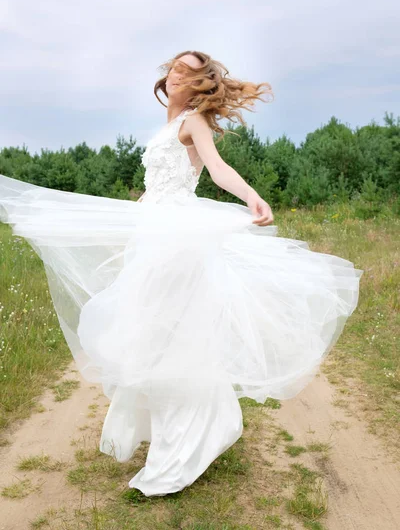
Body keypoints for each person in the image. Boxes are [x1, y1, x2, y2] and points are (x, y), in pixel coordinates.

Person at [0, 50, 363, 497]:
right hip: (152, 231)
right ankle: (184, 430)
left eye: (187, 73)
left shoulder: (193, 122)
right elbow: (157, 187)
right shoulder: (166, 127)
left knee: (167, 333)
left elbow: (216, 168)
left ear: (199, 85)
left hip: (176, 236)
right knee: (150, 330)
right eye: (173, 69)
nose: (176, 76)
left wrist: (252, 196)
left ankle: (184, 443)